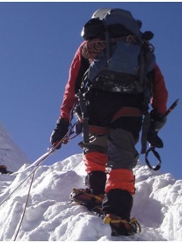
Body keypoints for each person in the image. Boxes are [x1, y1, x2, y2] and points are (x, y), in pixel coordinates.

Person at [50, 8, 168, 236]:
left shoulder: (90, 47)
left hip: (96, 104)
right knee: (122, 158)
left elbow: (72, 85)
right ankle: (118, 213)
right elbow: (159, 87)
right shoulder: (140, 49)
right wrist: (156, 121)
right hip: (131, 107)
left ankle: (95, 193)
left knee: (95, 147)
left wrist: (63, 121)